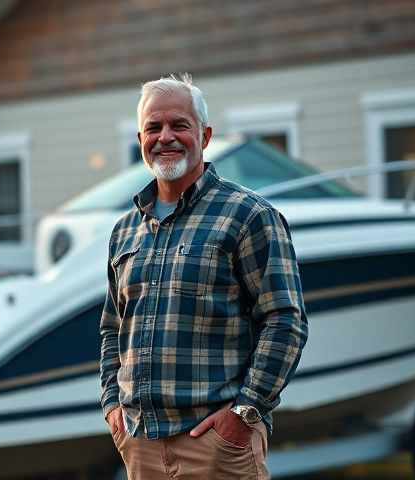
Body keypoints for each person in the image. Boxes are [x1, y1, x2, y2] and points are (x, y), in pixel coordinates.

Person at [99, 74, 308, 480]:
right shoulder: (125, 230)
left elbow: (286, 321)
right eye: (153, 128)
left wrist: (245, 412)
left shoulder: (249, 216)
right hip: (140, 446)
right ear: (140, 138)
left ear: (205, 135)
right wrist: (113, 406)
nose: (165, 137)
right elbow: (112, 328)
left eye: (179, 125)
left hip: (218, 447)